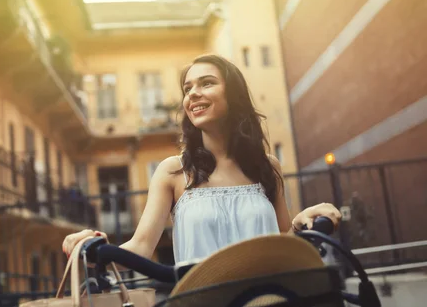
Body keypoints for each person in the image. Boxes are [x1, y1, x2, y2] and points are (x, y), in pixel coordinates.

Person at [62, 54, 341, 263]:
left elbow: (283, 241)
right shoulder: (173, 172)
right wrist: (96, 248)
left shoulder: (267, 167)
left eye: (206, 83)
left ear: (234, 95)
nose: (193, 93)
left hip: (272, 303)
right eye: (187, 88)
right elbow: (142, 246)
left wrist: (301, 221)